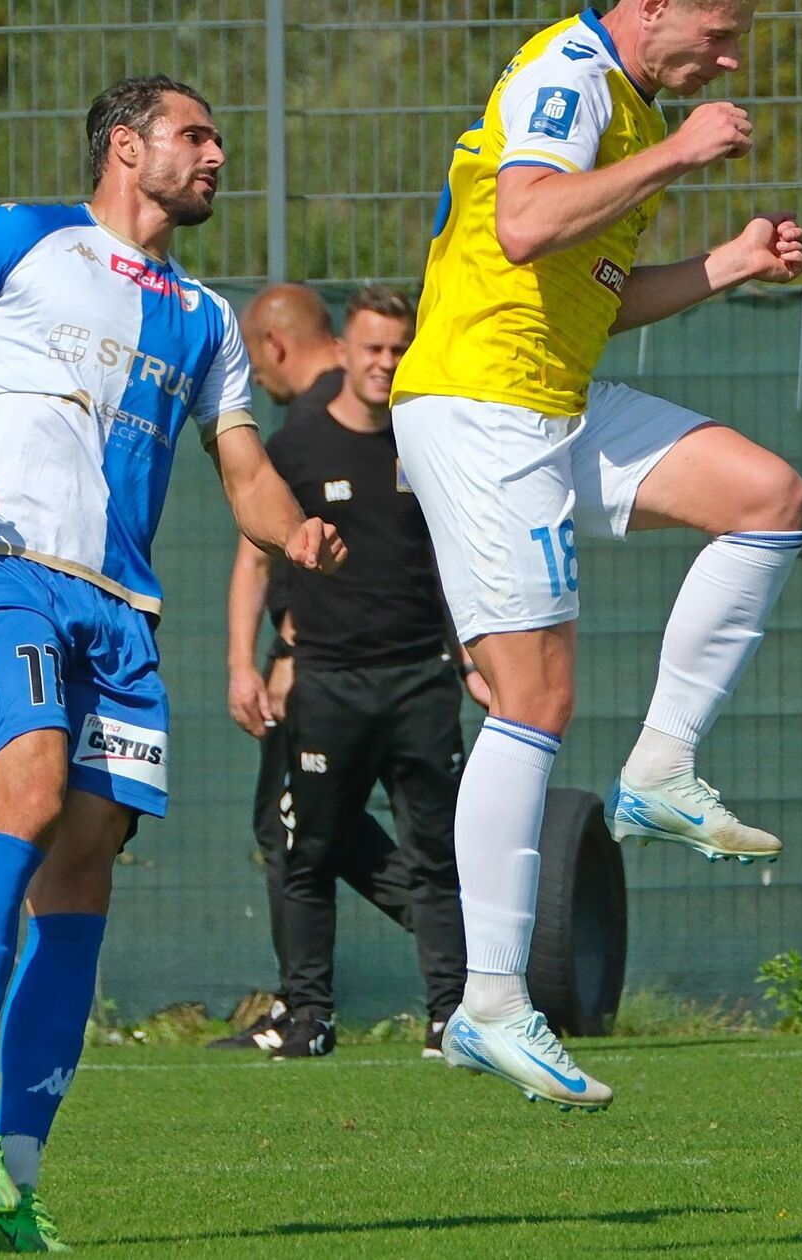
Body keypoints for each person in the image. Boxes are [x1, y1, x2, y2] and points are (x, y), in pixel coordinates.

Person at [0, 75, 345, 1252]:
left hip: (123, 612)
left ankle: (9, 1187)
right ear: (126, 145)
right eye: (195, 135)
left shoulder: (209, 320)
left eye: (218, 140)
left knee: (87, 871)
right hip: (3, 567)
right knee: (32, 789)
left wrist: (291, 528)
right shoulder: (22, 241)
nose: (217, 156)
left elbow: (244, 469)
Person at [389, 0, 802, 1111]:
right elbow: (523, 226)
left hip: (553, 394)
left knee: (767, 493)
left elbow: (591, 294)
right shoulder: (569, 80)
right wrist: (681, 152)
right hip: (482, 405)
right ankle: (491, 1001)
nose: (727, 59)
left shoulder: (626, 109)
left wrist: (722, 265)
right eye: (719, 35)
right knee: (535, 696)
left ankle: (663, 770)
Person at [223, 284, 486, 1061]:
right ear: (344, 350)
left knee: (437, 854)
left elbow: (458, 559)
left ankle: (452, 1018)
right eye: (373, 348)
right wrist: (247, 662)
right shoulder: (297, 444)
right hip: (328, 685)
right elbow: (252, 557)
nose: (385, 363)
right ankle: (308, 1017)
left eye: (399, 350)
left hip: (419, 681)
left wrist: (471, 656)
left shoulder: (430, 438)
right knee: (304, 852)